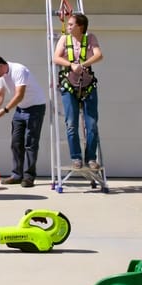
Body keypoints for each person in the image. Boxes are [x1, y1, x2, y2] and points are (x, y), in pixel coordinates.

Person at [0, 56, 47, 187]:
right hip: (21, 109)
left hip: (35, 107)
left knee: (30, 143)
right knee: (16, 142)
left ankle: (29, 177)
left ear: (1, 66)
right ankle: (17, 175)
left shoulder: (19, 70)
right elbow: (0, 94)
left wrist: (5, 110)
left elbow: (20, 95)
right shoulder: (0, 76)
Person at [52, 13, 103, 170]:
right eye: (68, 24)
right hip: (69, 86)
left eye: (71, 24)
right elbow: (56, 58)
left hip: (87, 86)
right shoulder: (64, 39)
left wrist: (84, 63)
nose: (68, 27)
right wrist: (71, 64)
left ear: (80, 26)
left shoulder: (90, 38)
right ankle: (76, 157)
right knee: (71, 124)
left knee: (92, 124)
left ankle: (91, 158)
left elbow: (99, 55)